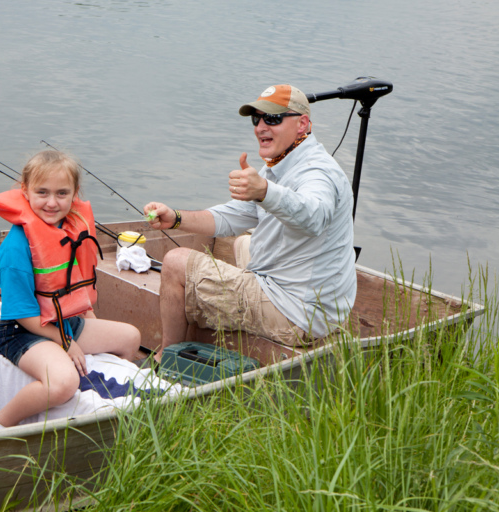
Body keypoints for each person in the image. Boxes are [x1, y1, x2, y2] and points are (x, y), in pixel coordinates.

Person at [144, 84, 357, 361]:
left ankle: (166, 359)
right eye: (256, 119)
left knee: (174, 263)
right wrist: (177, 218)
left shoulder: (317, 172)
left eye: (272, 118)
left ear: (302, 124)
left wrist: (265, 192)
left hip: (299, 313)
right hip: (313, 299)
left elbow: (314, 218)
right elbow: (228, 217)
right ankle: (215, 301)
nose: (260, 127)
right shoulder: (282, 162)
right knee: (242, 241)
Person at [0, 150, 141, 430]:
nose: (52, 203)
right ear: (25, 191)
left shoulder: (72, 233)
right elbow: (23, 316)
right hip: (24, 333)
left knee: (130, 337)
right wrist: (67, 342)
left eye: (62, 193)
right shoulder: (16, 247)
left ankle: (106, 398)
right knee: (62, 384)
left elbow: (75, 286)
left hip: (66, 321)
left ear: (75, 194)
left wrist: (87, 324)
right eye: (42, 192)